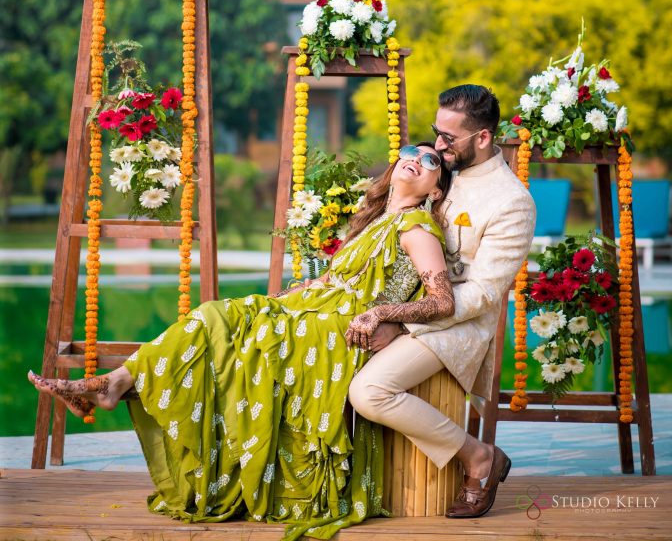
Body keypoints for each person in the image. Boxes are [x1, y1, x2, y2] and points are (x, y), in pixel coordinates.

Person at [29, 143, 454, 540]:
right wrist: (306, 287)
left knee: (217, 321)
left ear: (437, 187)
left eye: (431, 160)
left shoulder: (416, 227)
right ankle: (117, 383)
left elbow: (442, 300)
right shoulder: (375, 219)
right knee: (214, 319)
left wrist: (382, 313)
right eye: (410, 151)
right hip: (312, 310)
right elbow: (341, 278)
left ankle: (116, 385)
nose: (416, 158)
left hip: (338, 331)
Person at [349, 84, 536, 519]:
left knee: (370, 391)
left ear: (484, 137)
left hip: (455, 327)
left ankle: (478, 457)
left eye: (449, 139)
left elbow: (484, 293)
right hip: (401, 306)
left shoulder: (512, 203)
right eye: (437, 132)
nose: (436, 145)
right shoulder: (442, 170)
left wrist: (404, 322)